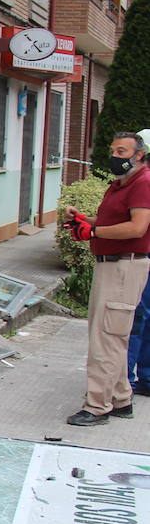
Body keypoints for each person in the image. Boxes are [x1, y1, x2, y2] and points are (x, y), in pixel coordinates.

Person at [63, 132, 150, 425]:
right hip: (111, 266)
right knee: (110, 336)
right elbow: (112, 221)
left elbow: (137, 228)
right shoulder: (122, 184)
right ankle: (121, 400)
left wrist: (94, 232)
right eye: (113, 150)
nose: (115, 156)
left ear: (139, 155)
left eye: (122, 151)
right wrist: (85, 221)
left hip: (124, 267)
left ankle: (97, 406)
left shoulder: (143, 183)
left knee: (107, 339)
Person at [126, 127, 150, 395]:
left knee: (136, 318)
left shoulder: (142, 183)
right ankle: (143, 377)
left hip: (142, 256)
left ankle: (126, 380)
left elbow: (135, 226)